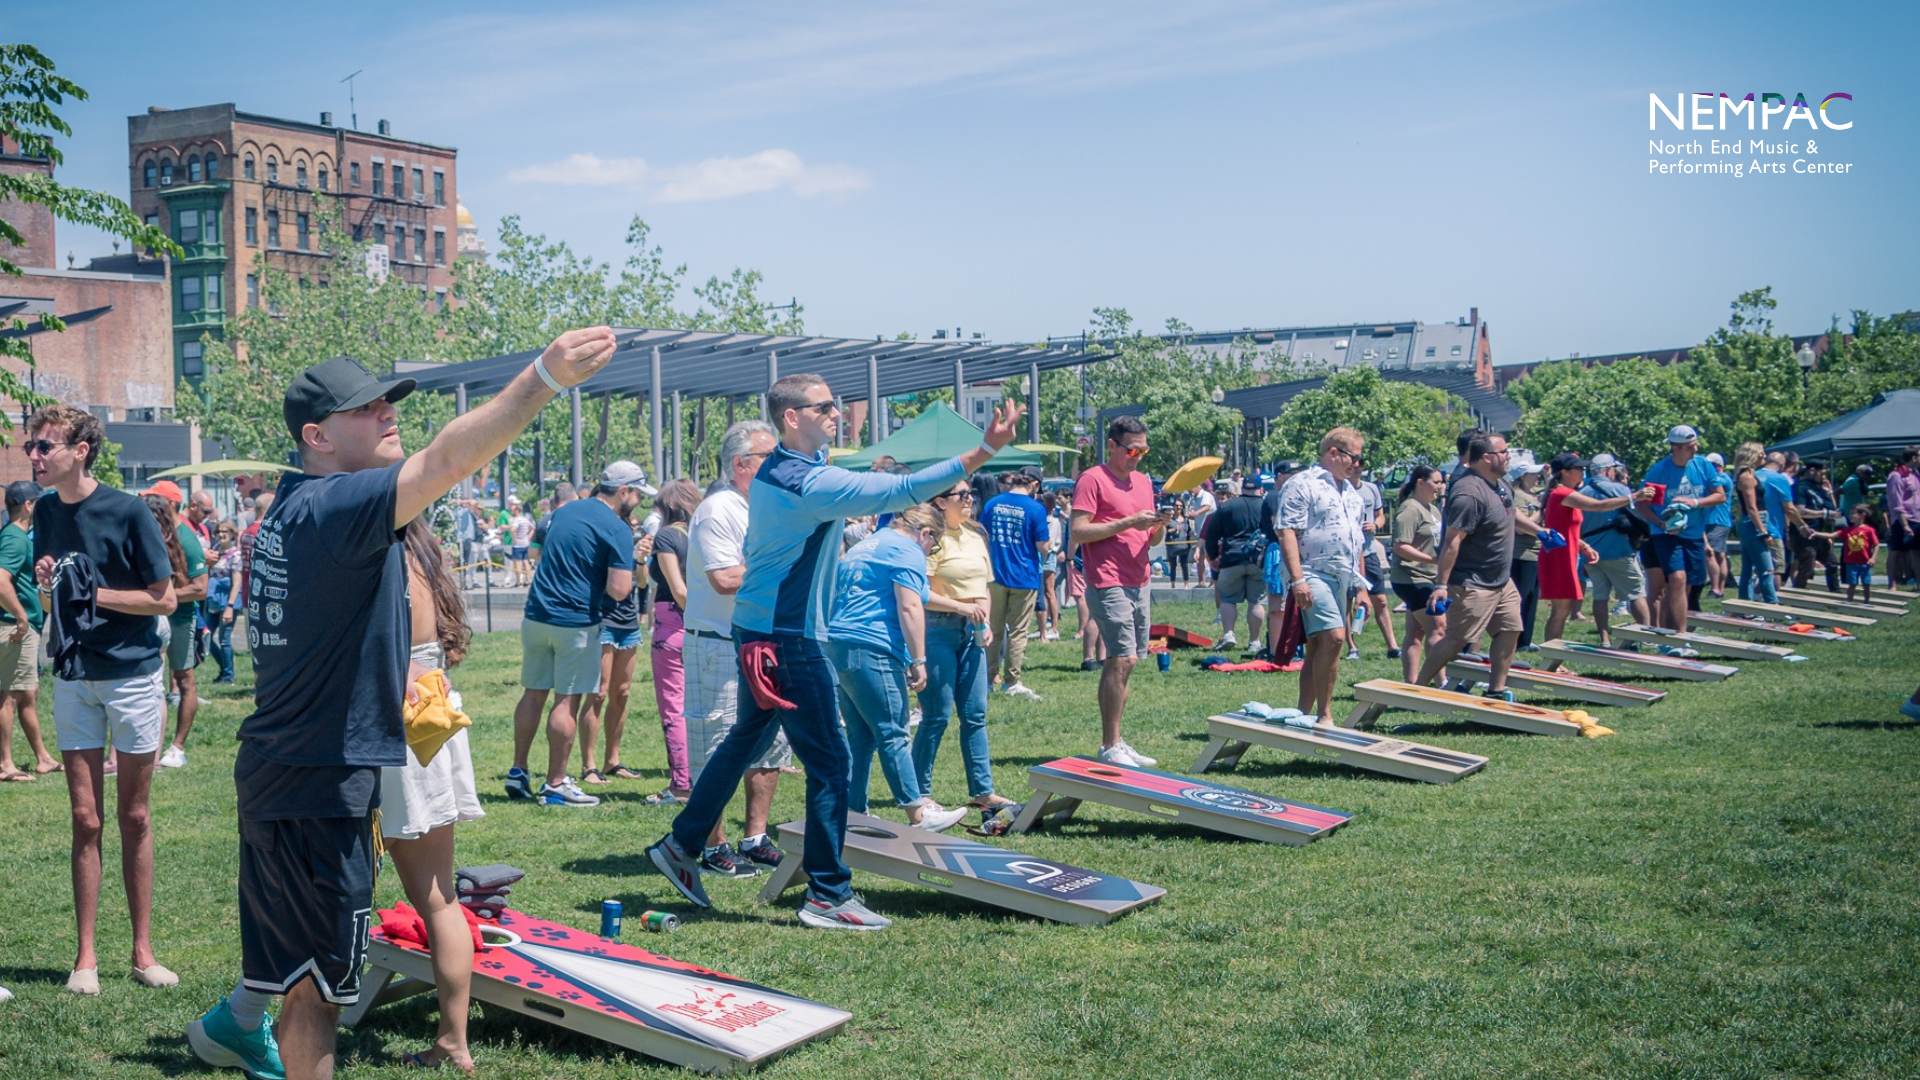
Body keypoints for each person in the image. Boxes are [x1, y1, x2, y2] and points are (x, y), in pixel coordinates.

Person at [185, 331, 615, 1080]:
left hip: (287, 772)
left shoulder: (296, 505)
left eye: (387, 399)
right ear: (316, 437)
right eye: (365, 407)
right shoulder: (335, 505)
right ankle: (244, 1032)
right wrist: (543, 376)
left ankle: (231, 1029)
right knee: (319, 996)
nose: (388, 412)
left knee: (300, 979)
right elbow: (449, 459)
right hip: (319, 780)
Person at [646, 376, 1024, 931]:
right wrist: (983, 450)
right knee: (830, 762)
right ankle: (827, 893)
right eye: (823, 407)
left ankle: (681, 844)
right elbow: (901, 491)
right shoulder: (806, 482)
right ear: (791, 419)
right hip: (786, 638)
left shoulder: (791, 464)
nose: (836, 412)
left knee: (745, 740)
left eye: (837, 404)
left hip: (764, 632)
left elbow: (846, 462)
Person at [28, 405, 179, 995]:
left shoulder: (127, 510)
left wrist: (95, 594)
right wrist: (49, 583)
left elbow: (164, 599)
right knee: (84, 818)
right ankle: (85, 958)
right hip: (73, 674)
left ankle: (143, 953)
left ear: (81, 450)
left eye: (46, 446)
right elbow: (54, 600)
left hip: (132, 676)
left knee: (134, 816)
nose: (35, 456)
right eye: (31, 448)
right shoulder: (44, 511)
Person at [379, 518, 483, 1071]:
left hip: (396, 723)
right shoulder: (421, 547)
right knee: (441, 899)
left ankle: (300, 1021)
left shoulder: (380, 550)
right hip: (432, 717)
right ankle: (453, 1041)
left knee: (338, 891)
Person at [678, 420, 786, 876]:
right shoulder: (718, 508)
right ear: (742, 465)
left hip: (762, 641)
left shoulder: (762, 505)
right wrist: (789, 570)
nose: (780, 463)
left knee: (769, 744)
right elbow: (724, 579)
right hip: (719, 644)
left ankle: (755, 837)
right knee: (715, 743)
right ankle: (711, 842)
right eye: (770, 456)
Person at [505, 462, 647, 808]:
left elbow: (541, 553)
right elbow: (619, 590)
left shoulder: (565, 511)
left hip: (536, 614)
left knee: (533, 693)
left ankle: (518, 771)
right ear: (624, 490)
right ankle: (556, 783)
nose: (639, 501)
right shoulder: (617, 527)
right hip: (576, 622)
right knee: (567, 700)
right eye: (638, 493)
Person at [830, 504, 969, 832]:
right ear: (924, 533)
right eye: (933, 544)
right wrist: (918, 660)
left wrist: (962, 606)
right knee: (893, 729)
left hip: (839, 645)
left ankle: (852, 813)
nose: (930, 551)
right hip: (872, 645)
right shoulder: (907, 550)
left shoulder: (869, 544)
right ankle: (918, 813)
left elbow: (918, 595)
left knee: (861, 735)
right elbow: (909, 606)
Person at [1413, 433, 1543, 699]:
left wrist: (1539, 530)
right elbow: (1452, 541)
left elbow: (1512, 513)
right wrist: (1441, 585)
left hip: (1501, 580)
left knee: (1510, 629)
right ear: (1486, 457)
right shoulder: (1469, 492)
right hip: (1472, 581)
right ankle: (1416, 689)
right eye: (1504, 452)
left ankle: (1496, 690)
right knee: (1456, 640)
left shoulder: (1500, 483)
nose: (1509, 457)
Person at [1071, 416, 1170, 765]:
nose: (1137, 456)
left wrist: (1159, 526)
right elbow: (1079, 531)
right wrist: (1129, 522)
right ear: (1112, 445)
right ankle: (1110, 745)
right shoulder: (1092, 479)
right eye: (1131, 450)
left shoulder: (1143, 481)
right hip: (1107, 578)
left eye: (1144, 450)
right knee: (1122, 657)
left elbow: (1151, 537)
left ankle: (1115, 742)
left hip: (1139, 577)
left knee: (1125, 661)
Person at [916, 479, 1017, 810]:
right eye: (962, 495)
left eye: (970, 494)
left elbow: (984, 587)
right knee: (937, 715)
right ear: (941, 502)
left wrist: (984, 621)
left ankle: (982, 792)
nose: (969, 499)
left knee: (975, 714)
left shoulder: (976, 536)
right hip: (937, 629)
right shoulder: (930, 537)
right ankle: (918, 794)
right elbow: (921, 593)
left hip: (973, 631)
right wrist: (963, 609)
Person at [1276, 429, 1369, 723]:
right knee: (1335, 638)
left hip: (1342, 576)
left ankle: (1304, 713)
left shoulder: (1352, 494)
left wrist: (1361, 587)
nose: (1359, 464)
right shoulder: (1302, 484)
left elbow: (1356, 544)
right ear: (1333, 453)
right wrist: (1298, 579)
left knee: (1317, 644)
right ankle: (1324, 715)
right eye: (1355, 458)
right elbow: (1286, 530)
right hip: (1311, 572)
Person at [623, 479, 701, 797]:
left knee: (673, 708)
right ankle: (698, 777)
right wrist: (641, 559)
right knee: (697, 707)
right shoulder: (698, 534)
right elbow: (644, 581)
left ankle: (681, 783)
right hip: (701, 626)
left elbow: (676, 588)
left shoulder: (669, 536)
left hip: (674, 624)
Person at [576, 490, 655, 789]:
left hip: (628, 622)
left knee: (621, 693)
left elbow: (642, 583)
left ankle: (613, 760)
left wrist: (640, 560)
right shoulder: (605, 537)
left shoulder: (631, 541)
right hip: (604, 620)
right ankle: (589, 764)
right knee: (598, 693)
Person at [1538, 454, 1640, 648]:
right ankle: (1552, 658)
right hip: (1558, 558)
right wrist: (1632, 497)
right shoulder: (1562, 493)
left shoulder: (1566, 492)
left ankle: (1555, 658)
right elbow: (1599, 506)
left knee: (1564, 610)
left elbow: (1563, 528)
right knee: (1560, 612)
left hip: (1565, 555)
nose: (1583, 471)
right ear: (1565, 472)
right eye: (1579, 468)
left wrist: (1584, 546)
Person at [1638, 426, 1725, 633]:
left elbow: (1719, 496)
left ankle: (1670, 633)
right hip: (1666, 533)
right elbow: (1642, 504)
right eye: (1690, 446)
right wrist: (1660, 523)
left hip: (1694, 534)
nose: (1695, 449)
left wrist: (1694, 501)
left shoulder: (1703, 466)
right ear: (1675, 448)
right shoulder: (1659, 471)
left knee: (1685, 586)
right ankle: (1681, 636)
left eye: (1695, 444)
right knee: (1677, 578)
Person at [144, 490, 208, 771]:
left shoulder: (188, 539)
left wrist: (163, 595)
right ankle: (148, 747)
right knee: (149, 682)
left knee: (184, 681)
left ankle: (177, 747)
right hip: (152, 617)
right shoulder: (151, 532)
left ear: (169, 504)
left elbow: (200, 588)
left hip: (180, 619)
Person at [0, 479, 55, 780]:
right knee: (8, 696)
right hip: (13, 628)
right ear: (28, 505)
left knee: (27, 693)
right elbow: (0, 580)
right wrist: (21, 616)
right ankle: (5, 764)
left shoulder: (16, 536)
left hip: (21, 626)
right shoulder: (15, 538)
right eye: (39, 501)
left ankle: (43, 757)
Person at [981, 467, 1048, 700]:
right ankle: (1011, 681)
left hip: (995, 575)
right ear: (1035, 485)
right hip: (1024, 576)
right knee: (1018, 631)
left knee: (993, 629)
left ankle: (989, 679)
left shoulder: (993, 504)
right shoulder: (1035, 508)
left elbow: (982, 535)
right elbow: (1043, 546)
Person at [1578, 454, 1653, 646]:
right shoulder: (1620, 489)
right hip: (1618, 549)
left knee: (1600, 596)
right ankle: (1646, 638)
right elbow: (1635, 515)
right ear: (1609, 470)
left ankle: (1604, 639)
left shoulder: (1581, 491)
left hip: (1591, 551)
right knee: (1636, 593)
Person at [1388, 465, 1447, 685]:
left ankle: (1411, 685)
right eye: (1436, 482)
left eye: (1442, 482)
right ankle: (1441, 684)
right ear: (1420, 482)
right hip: (1411, 578)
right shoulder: (1410, 510)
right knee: (1438, 627)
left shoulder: (1432, 509)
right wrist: (1432, 559)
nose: (1440, 487)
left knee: (1416, 633)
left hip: (1429, 577)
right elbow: (1400, 546)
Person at [1203, 471, 1268, 653]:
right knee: (1256, 601)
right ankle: (1254, 641)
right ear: (1260, 489)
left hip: (1231, 557)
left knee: (1228, 598)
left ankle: (1229, 634)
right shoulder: (1266, 505)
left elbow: (1212, 533)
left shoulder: (1228, 506)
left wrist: (1214, 557)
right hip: (1258, 559)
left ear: (1241, 487)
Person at [1351, 472, 1402, 661]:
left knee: (1380, 600)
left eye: (1359, 463)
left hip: (1369, 551)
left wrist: (1374, 525)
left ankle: (1392, 646)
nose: (1356, 465)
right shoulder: (1339, 489)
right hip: (1348, 556)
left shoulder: (1371, 488)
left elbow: (1381, 516)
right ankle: (1352, 647)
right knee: (1348, 601)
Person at [1259, 460, 1306, 659]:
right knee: (1278, 605)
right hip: (1279, 551)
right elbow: (1281, 529)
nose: (1297, 476)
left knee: (1298, 603)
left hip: (1296, 550)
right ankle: (1278, 650)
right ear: (1280, 476)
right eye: (1292, 473)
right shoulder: (1275, 496)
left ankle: (1296, 647)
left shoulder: (1296, 493)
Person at [1728, 443, 1781, 605]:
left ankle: (1745, 606)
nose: (1765, 457)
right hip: (1754, 523)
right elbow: (1751, 507)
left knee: (1748, 570)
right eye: (1762, 454)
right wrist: (1763, 531)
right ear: (1753, 455)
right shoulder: (1747, 477)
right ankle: (1773, 605)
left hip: (1751, 523)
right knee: (1767, 569)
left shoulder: (1749, 475)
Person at [1508, 464, 1545, 651]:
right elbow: (1521, 527)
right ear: (1522, 476)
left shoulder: (1532, 496)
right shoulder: (1517, 497)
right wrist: (1542, 510)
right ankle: (1516, 640)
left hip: (1536, 553)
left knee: (1532, 598)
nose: (1538, 477)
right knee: (1521, 598)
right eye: (1534, 474)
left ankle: (1526, 640)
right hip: (1521, 555)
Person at [1791, 461, 1840, 591]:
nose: (1823, 477)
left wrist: (1829, 492)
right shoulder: (1800, 487)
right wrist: (1823, 513)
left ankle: (1835, 591)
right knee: (1807, 566)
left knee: (1832, 563)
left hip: (1821, 533)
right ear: (1812, 470)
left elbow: (1833, 509)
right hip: (1805, 533)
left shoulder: (1819, 488)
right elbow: (1800, 511)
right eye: (1821, 473)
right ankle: (1798, 593)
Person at [1758, 451, 1799, 595]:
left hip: (1753, 528)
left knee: (1758, 569)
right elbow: (1790, 509)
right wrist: (1802, 525)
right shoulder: (1779, 479)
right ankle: (1773, 603)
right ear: (1781, 465)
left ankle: (1752, 601)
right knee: (1776, 568)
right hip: (1773, 530)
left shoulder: (1752, 475)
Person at [206, 522, 239, 684]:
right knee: (205, 636)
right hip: (212, 599)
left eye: (225, 531)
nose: (221, 534)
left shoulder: (236, 554)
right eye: (218, 531)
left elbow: (237, 583)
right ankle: (224, 668)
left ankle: (228, 676)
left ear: (232, 534)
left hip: (227, 600)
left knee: (224, 639)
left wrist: (230, 607)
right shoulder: (213, 551)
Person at [1703, 452, 1735, 599]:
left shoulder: (1722, 479)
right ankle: (1720, 589)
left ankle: (1715, 588)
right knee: (1720, 556)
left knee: (1709, 553)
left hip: (1717, 520)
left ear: (1717, 465)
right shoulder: (1718, 478)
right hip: (1716, 520)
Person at [1834, 505, 1880, 603]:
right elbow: (1832, 535)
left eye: (1853, 514)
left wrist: (1873, 558)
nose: (1850, 516)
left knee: (1866, 584)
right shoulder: (1848, 530)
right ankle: (1849, 601)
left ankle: (1866, 602)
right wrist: (1816, 533)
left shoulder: (1869, 530)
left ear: (1862, 515)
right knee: (1852, 584)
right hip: (1851, 562)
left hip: (1865, 563)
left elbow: (1876, 545)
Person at [1889, 447, 1920, 591]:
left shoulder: (1915, 474)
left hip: (1917, 518)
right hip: (1903, 520)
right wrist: (1905, 524)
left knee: (1916, 552)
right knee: (1896, 551)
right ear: (1913, 458)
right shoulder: (1897, 475)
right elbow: (1896, 502)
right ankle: (1892, 584)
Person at [529, 481, 576, 567]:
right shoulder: (580, 519)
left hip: (551, 574)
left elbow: (532, 553)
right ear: (575, 498)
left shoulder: (543, 522)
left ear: (555, 500)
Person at [1039, 491, 1064, 640]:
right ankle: (1045, 623)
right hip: (1041, 556)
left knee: (1049, 591)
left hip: (1049, 557)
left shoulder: (1053, 522)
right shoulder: (1044, 520)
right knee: (1043, 593)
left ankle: (1054, 627)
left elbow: (1054, 542)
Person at [505, 499, 534, 586]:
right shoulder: (525, 519)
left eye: (513, 510)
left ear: (517, 510)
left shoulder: (516, 520)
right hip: (526, 543)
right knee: (526, 561)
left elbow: (512, 529)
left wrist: (514, 537)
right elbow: (532, 528)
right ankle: (528, 580)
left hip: (518, 545)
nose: (512, 512)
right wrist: (529, 537)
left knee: (517, 562)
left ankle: (519, 581)